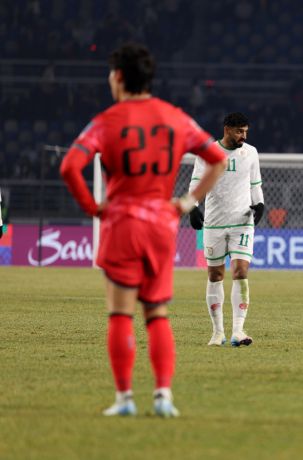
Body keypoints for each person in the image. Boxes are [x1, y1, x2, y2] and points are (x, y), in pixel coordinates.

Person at [59, 43, 227, 418]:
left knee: (121, 314)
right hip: (161, 225)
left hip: (122, 224)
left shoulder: (106, 120)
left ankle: (124, 399)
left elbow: (69, 167)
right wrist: (187, 202)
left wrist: (93, 208)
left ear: (118, 77)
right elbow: (217, 159)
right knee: (157, 314)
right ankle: (163, 396)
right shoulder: (175, 117)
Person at [188, 113, 264, 348]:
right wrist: (193, 207)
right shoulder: (208, 152)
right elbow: (196, 182)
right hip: (214, 223)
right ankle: (217, 332)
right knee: (215, 275)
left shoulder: (251, 152)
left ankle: (238, 331)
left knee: (240, 271)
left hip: (242, 221)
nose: (244, 136)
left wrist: (260, 203)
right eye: (240, 131)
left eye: (246, 131)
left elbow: (255, 183)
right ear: (227, 129)